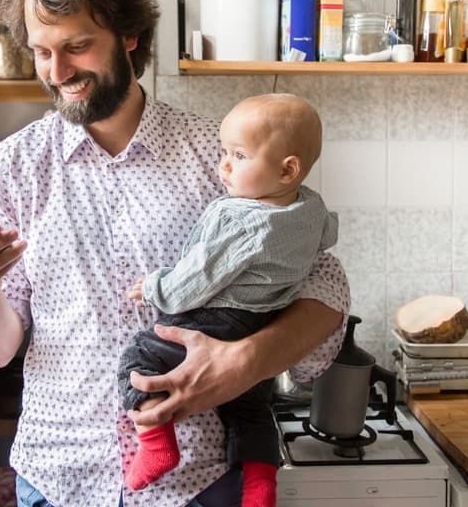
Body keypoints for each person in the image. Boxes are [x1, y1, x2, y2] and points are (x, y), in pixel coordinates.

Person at [0, 0, 350, 507]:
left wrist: (245, 362)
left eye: (77, 47)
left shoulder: (220, 157)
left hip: (198, 478)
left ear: (130, 36)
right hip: (60, 474)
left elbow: (325, 281)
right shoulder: (13, 169)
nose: (58, 72)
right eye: (42, 52)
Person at [118, 93, 338, 507]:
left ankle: (156, 441)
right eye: (224, 152)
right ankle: (260, 485)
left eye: (238, 155)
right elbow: (327, 236)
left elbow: (198, 279)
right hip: (265, 319)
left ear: (287, 169)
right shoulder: (311, 206)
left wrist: (154, 287)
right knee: (249, 406)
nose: (224, 165)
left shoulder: (239, 220)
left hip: (218, 319)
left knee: (138, 358)